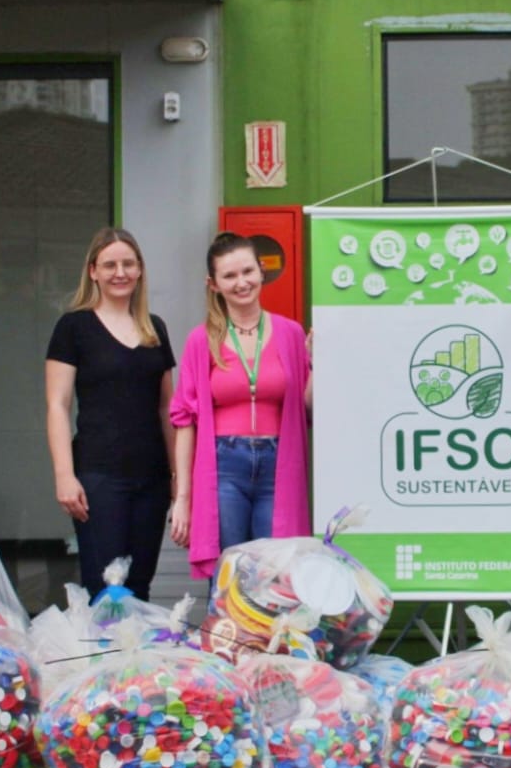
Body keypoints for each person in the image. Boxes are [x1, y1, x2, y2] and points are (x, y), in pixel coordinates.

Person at [169, 232, 311, 581]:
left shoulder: (291, 333)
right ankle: (228, 637)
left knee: (276, 573)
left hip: (278, 464)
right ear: (213, 284)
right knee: (229, 573)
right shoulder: (201, 340)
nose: (241, 282)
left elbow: (307, 407)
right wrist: (182, 498)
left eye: (248, 271)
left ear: (262, 272)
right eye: (229, 276)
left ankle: (270, 639)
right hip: (223, 466)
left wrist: (319, 364)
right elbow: (184, 419)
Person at [45, 227, 175, 601]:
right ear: (93, 272)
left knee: (139, 585)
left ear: (139, 270)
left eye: (128, 264)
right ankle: (103, 659)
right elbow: (57, 405)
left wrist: (177, 476)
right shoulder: (74, 327)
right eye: (110, 265)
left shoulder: (156, 328)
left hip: (151, 478)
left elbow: (168, 408)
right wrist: (64, 475)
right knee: (105, 586)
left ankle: (136, 661)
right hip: (99, 476)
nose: (120, 272)